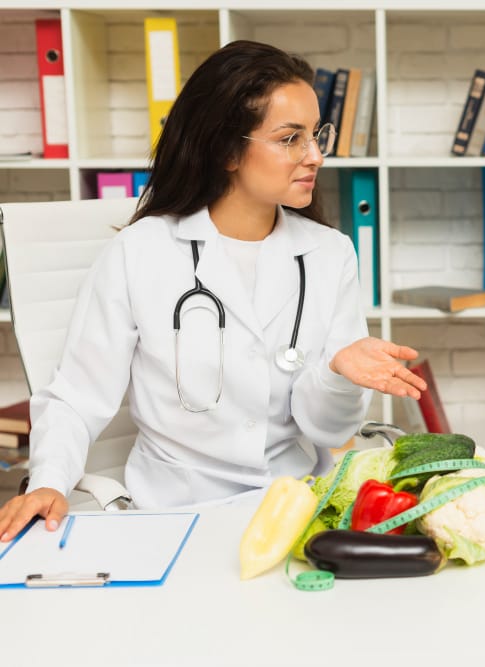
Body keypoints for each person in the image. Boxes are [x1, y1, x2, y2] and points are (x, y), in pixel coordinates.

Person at [0, 40, 426, 541]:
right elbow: (77, 395)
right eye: (290, 138)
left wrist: (338, 374)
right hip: (174, 514)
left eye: (316, 134)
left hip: (292, 510)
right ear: (227, 149)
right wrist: (49, 481)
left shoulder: (331, 255)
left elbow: (328, 432)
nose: (315, 156)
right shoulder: (141, 252)